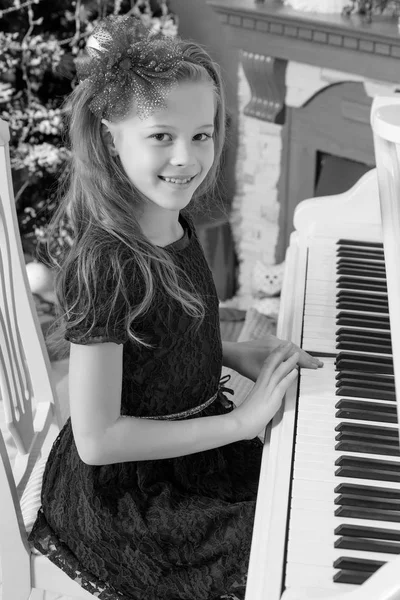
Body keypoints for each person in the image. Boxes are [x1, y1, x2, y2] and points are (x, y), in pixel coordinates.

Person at [29, 15, 323, 600]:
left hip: (196, 442)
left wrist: (234, 351)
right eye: (161, 136)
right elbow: (98, 438)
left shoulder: (174, 222)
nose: (187, 158)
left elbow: (164, 342)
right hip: (133, 491)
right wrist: (241, 421)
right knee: (279, 554)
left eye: (203, 134)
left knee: (306, 494)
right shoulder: (105, 264)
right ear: (112, 135)